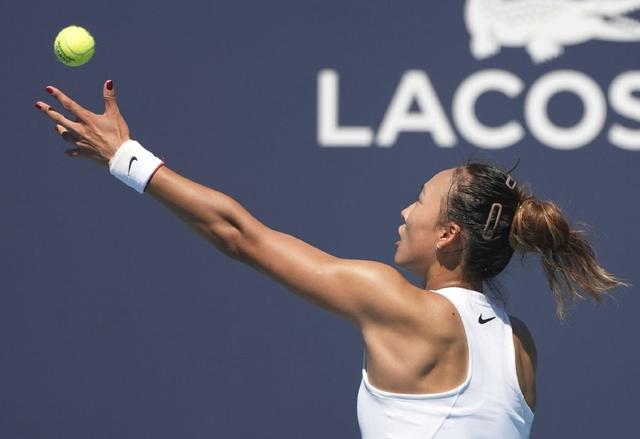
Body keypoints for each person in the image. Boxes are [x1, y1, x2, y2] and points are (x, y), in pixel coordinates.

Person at [34, 81, 626, 439]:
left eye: (419, 201)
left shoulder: (399, 303)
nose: (405, 211)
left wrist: (126, 156)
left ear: (447, 234)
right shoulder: (519, 345)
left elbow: (239, 236)